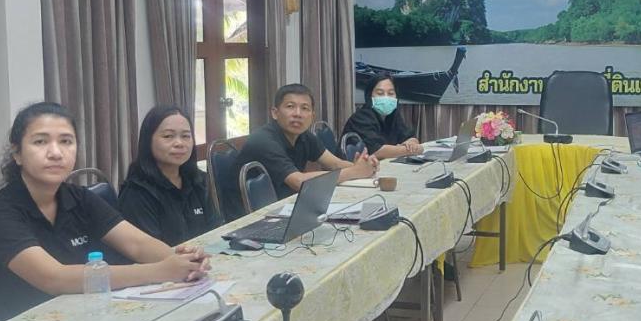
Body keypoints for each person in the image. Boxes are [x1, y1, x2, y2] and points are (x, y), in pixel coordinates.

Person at [0, 102, 211, 321]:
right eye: (40, 142)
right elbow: (54, 278)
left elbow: (137, 244)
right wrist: (160, 271)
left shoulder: (81, 198)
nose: (56, 152)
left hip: (80, 316)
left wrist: (182, 260)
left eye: (66, 141)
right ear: (17, 153)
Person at [233, 83, 378, 202]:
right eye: (290, 106)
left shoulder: (304, 136)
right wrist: (354, 171)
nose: (298, 114)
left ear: (312, 116)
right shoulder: (263, 141)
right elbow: (299, 182)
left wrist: (364, 166)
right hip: (247, 218)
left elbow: (335, 164)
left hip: (284, 204)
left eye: (304, 108)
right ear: (275, 113)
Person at [119, 105, 221, 247]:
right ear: (148, 141)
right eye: (168, 136)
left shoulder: (199, 180)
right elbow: (150, 253)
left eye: (186, 136)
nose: (179, 143)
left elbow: (216, 231)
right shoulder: (136, 193)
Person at [341, 74, 424, 160]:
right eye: (380, 93)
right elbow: (377, 151)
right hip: (353, 166)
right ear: (370, 96)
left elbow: (410, 137)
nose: (386, 97)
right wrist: (409, 150)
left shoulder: (393, 116)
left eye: (391, 93)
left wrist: (411, 143)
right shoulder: (361, 118)